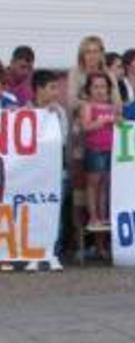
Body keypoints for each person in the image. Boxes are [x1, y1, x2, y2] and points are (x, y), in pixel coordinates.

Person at [29, 70, 67, 271]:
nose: (56, 93)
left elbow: (64, 139)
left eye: (57, 88)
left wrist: (54, 118)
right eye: (52, 88)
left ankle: (54, 250)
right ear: (38, 89)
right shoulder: (24, 111)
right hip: (31, 173)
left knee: (55, 211)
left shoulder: (59, 112)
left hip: (54, 171)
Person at [79, 72, 117, 254]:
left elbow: (119, 123)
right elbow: (85, 127)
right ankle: (93, 216)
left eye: (103, 87)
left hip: (110, 149)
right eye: (96, 87)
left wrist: (117, 121)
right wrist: (100, 122)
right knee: (93, 184)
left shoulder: (111, 106)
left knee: (105, 185)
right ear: (89, 90)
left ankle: (102, 217)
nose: (100, 90)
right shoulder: (88, 106)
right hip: (94, 149)